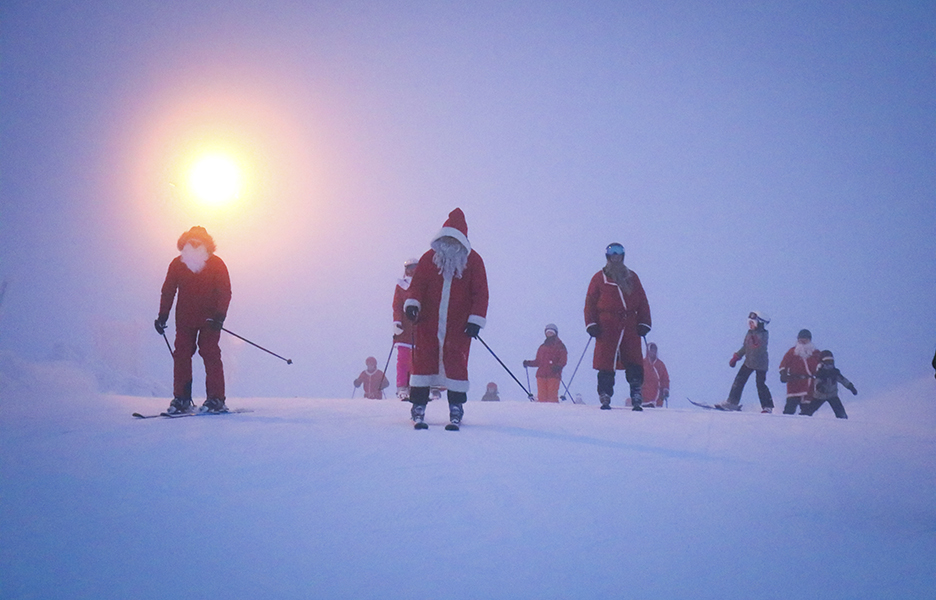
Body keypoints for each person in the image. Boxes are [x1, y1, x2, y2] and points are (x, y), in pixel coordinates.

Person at [404, 208, 489, 430]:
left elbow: (481, 293)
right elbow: (418, 286)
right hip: (428, 323)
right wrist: (413, 305)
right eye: (447, 236)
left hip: (458, 326)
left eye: (455, 237)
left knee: (456, 364)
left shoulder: (474, 261)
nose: (450, 241)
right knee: (422, 363)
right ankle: (418, 406)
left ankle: (456, 408)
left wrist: (475, 320)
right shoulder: (428, 259)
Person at [155, 226, 232, 414]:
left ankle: (215, 399)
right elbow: (168, 291)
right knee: (181, 355)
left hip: (210, 321)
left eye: (199, 241)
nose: (195, 243)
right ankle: (181, 398)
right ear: (186, 243)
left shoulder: (216, 264)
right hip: (185, 320)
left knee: (210, 353)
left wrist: (220, 316)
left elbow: (225, 292)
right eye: (192, 240)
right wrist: (162, 316)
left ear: (206, 244)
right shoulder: (177, 264)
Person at [584, 242, 651, 411]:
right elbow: (590, 303)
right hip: (606, 325)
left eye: (619, 253)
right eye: (612, 253)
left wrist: (644, 323)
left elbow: (642, 301)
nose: (616, 256)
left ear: (623, 256)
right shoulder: (599, 278)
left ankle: (636, 392)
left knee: (634, 360)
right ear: (608, 257)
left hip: (629, 324)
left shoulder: (632, 277)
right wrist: (591, 324)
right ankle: (605, 394)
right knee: (606, 361)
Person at [717, 311, 774, 412]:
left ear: (759, 323)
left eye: (753, 323)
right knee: (739, 380)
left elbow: (758, 346)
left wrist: (753, 339)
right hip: (749, 362)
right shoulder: (749, 333)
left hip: (760, 364)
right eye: (749, 322)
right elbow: (746, 347)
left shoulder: (763, 334)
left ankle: (767, 406)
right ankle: (732, 402)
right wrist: (736, 356)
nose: (750, 325)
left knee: (760, 384)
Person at [392, 258, 419, 399]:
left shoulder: (423, 285)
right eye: (409, 267)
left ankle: (417, 386)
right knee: (403, 358)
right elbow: (397, 305)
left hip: (420, 327)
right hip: (405, 327)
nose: (412, 270)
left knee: (419, 359)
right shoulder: (401, 286)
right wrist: (397, 322)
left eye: (414, 267)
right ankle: (402, 387)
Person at [801, 350, 855, 419]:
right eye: (827, 362)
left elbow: (843, 380)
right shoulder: (820, 373)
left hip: (832, 395)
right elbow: (817, 382)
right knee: (809, 410)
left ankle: (843, 420)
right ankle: (803, 418)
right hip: (820, 396)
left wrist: (850, 386)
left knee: (840, 412)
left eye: (831, 362)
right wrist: (820, 387)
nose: (829, 364)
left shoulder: (835, 372)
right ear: (822, 362)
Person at [778, 329, 821, 415]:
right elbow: (784, 364)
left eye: (805, 339)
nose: (803, 341)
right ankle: (784, 425)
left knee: (807, 410)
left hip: (809, 385)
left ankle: (803, 426)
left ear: (809, 340)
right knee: (790, 408)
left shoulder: (816, 353)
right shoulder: (792, 352)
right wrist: (783, 373)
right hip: (794, 383)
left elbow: (821, 366)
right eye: (801, 339)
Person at [523, 323, 568, 403]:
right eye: (548, 332)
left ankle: (553, 413)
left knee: (552, 397)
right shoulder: (542, 347)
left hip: (553, 374)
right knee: (541, 398)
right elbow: (538, 361)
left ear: (555, 333)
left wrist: (558, 367)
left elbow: (563, 360)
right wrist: (528, 363)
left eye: (551, 332)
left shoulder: (560, 346)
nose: (549, 334)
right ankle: (543, 413)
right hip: (541, 375)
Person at [635, 341, 669, 408]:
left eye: (655, 350)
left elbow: (665, 379)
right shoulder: (642, 363)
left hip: (657, 397)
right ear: (648, 351)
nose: (653, 352)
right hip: (644, 396)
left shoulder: (660, 364)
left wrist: (665, 389)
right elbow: (637, 378)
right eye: (651, 350)